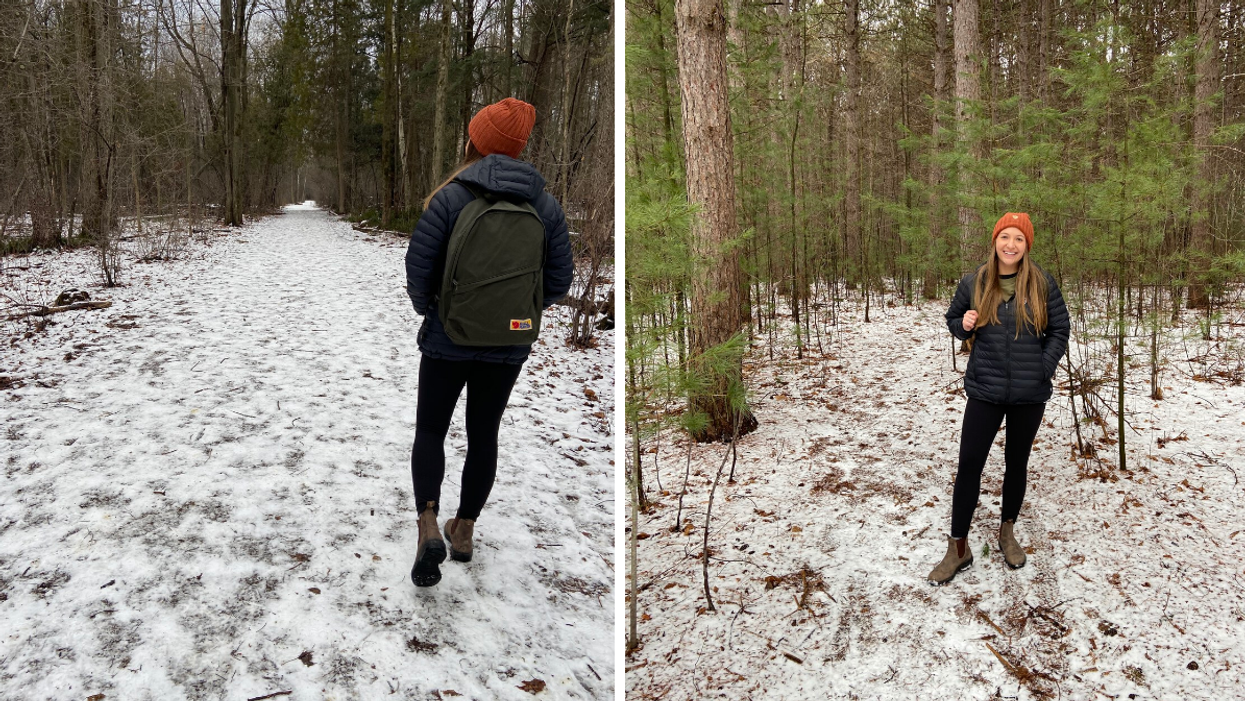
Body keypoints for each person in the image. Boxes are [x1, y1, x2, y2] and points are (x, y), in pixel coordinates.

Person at [403, 98, 573, 587]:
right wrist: (517, 314)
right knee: (484, 434)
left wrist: (432, 311)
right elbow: (559, 282)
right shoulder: (546, 205)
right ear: (518, 148)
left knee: (431, 429)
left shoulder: (451, 198)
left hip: (446, 337)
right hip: (510, 343)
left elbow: (419, 271)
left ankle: (429, 523)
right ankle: (465, 531)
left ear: (475, 141)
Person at [928, 212, 1070, 585]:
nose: (1010, 245)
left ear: (1026, 246)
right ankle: (958, 546)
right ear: (995, 241)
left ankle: (1007, 531)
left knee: (1016, 463)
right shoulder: (975, 281)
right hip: (986, 389)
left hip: (1029, 392)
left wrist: (1043, 367)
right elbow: (954, 318)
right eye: (1005, 237)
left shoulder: (1042, 283)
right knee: (970, 465)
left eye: (1018, 239)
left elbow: (1060, 329)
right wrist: (964, 326)